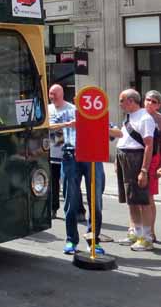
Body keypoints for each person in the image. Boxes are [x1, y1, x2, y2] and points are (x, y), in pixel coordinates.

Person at [48, 84, 104, 255]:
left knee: (96, 201)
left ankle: (93, 241)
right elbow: (51, 134)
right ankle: (71, 240)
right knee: (70, 201)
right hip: (70, 156)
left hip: (92, 158)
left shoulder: (97, 114)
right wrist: (68, 125)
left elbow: (115, 133)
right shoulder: (65, 113)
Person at [110, 89, 156, 251]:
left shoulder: (145, 118)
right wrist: (117, 159)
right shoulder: (129, 117)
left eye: (122, 100)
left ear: (131, 101)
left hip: (135, 159)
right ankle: (136, 232)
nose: (120, 104)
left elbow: (149, 145)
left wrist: (144, 170)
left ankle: (146, 237)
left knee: (142, 200)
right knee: (130, 199)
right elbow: (124, 138)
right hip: (124, 157)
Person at [143, 90, 161, 243]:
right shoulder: (137, 115)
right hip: (135, 158)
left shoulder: (160, 120)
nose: (150, 103)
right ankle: (135, 229)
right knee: (134, 198)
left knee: (149, 196)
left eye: (154, 101)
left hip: (154, 159)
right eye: (148, 99)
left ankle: (151, 231)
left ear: (158, 105)